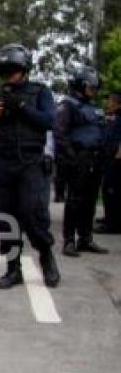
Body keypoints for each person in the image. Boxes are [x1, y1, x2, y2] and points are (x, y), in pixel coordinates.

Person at [0, 44, 59, 289]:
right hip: (2, 162)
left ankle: (46, 257)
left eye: (13, 70)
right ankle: (13, 269)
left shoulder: (40, 92)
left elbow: (49, 121)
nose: (9, 76)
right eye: (5, 71)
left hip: (31, 163)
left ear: (24, 70)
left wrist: (22, 107)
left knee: (32, 213)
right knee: (6, 217)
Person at [54, 67, 108, 257]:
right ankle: (69, 240)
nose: (93, 91)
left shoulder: (94, 107)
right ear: (80, 86)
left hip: (96, 157)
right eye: (90, 87)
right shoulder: (67, 105)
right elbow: (60, 134)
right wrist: (71, 157)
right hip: (78, 157)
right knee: (75, 200)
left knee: (90, 200)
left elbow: (100, 132)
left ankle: (86, 238)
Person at [96, 91, 121, 234]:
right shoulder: (113, 116)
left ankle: (113, 223)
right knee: (108, 189)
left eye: (110, 100)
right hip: (109, 156)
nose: (107, 103)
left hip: (117, 158)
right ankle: (109, 217)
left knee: (113, 190)